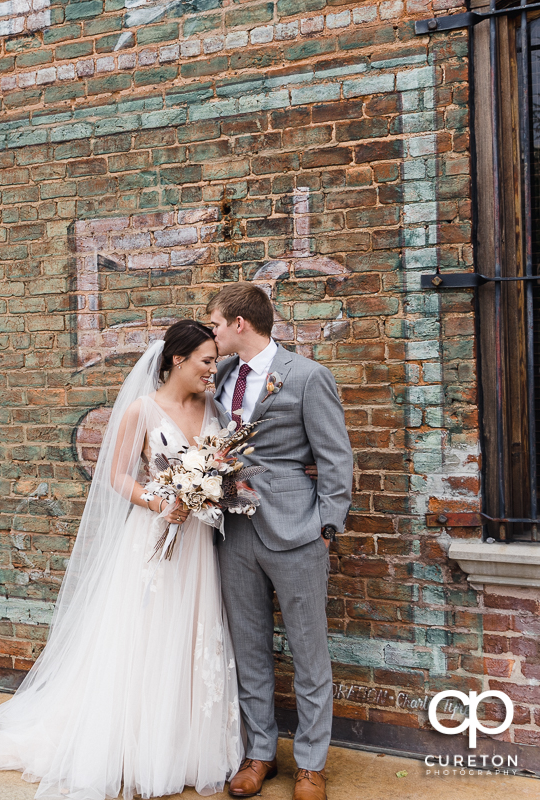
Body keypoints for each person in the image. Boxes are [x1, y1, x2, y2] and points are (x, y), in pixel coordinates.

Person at [0, 319, 243, 800]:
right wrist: (159, 501)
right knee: (144, 635)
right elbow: (117, 475)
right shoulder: (142, 410)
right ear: (177, 360)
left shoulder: (212, 408)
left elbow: (222, 468)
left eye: (216, 361)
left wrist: (212, 492)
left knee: (190, 635)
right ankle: (131, 743)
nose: (213, 369)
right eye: (206, 361)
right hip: (152, 538)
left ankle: (181, 746)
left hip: (198, 545)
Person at [207, 283, 352, 800]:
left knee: (309, 651)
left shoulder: (308, 376)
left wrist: (327, 526)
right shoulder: (219, 375)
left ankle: (311, 764)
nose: (214, 333)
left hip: (296, 530)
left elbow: (336, 458)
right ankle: (260, 753)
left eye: (217, 324)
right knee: (249, 648)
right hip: (235, 531)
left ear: (240, 324)